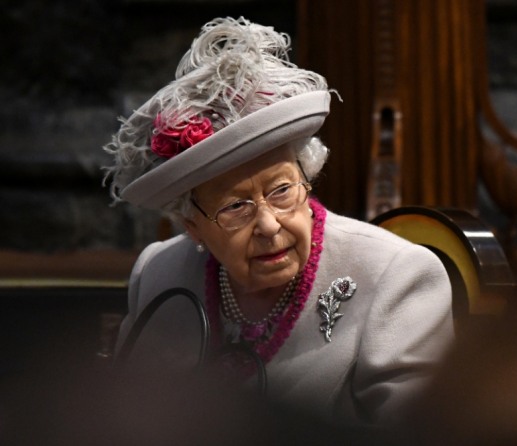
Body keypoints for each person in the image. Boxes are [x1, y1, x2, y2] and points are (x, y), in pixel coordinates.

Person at [103, 17, 453, 428]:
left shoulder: (396, 276)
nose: (269, 225)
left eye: (282, 191)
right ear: (192, 227)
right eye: (236, 207)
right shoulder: (160, 274)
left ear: (308, 177)